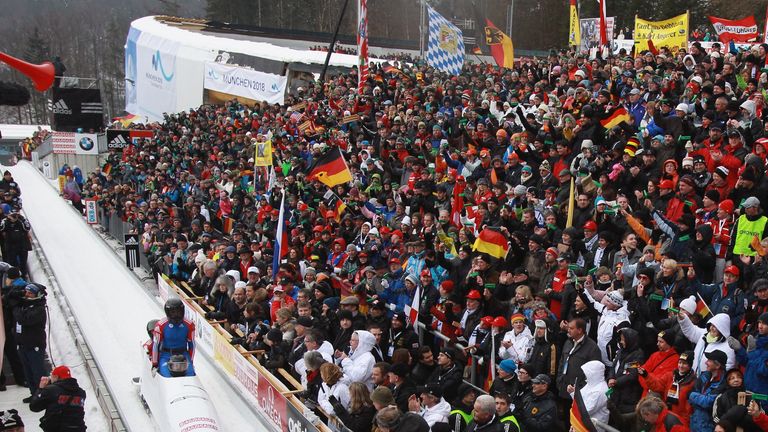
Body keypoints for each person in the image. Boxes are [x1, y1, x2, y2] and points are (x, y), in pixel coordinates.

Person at [14, 283, 48, 402]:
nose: (27, 295)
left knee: (37, 371)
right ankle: (34, 392)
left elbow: (24, 319)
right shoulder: (24, 305)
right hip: (23, 344)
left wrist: (16, 308)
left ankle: (42, 395)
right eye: (26, 292)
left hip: (34, 345)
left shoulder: (39, 309)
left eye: (30, 293)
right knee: (28, 372)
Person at [29, 366, 86, 432]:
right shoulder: (81, 393)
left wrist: (41, 389)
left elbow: (34, 407)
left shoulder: (51, 390)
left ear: (56, 377)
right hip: (78, 429)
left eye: (52, 376)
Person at [152, 298, 196, 377]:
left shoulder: (189, 325)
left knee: (190, 374)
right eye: (173, 313)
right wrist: (155, 363)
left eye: (178, 312)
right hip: (166, 355)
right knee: (167, 376)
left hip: (183, 355)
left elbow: (192, 344)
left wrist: (191, 361)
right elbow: (156, 345)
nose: (176, 315)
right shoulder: (161, 325)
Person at [0, 210, 31, 277]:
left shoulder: (22, 220)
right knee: (12, 263)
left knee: (23, 263)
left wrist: (21, 219)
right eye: (12, 216)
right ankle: (14, 277)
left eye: (15, 216)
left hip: (22, 245)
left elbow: (27, 228)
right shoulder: (5, 221)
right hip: (11, 246)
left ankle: (23, 275)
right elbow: (1, 228)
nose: (13, 218)